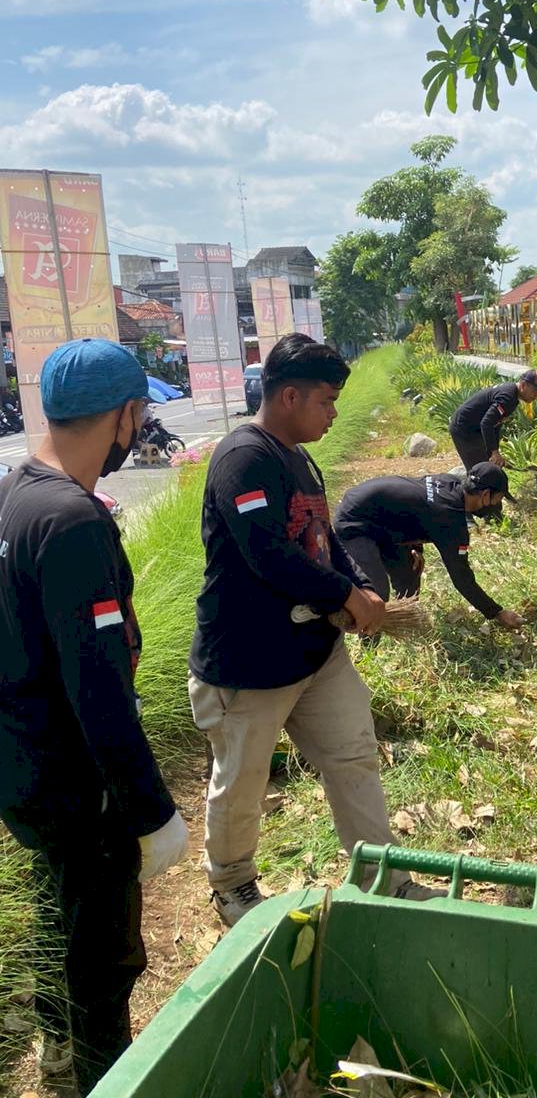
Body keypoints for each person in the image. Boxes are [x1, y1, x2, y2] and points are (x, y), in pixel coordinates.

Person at [189, 333, 440, 926]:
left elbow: (322, 543)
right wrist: (347, 595)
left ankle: (384, 879)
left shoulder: (299, 460)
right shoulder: (243, 458)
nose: (332, 414)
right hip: (250, 662)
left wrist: (362, 588)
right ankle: (232, 887)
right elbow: (269, 555)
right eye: (326, 402)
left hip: (315, 655)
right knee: (243, 781)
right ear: (290, 396)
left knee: (353, 757)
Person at [0, 338, 188, 1096]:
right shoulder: (74, 520)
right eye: (139, 416)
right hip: (77, 783)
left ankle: (55, 1046)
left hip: (19, 766)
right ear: (124, 415)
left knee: (58, 910)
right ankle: (104, 1079)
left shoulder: (16, 491)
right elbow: (99, 692)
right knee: (108, 955)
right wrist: (150, 811)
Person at [333, 462, 525, 629]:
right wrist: (496, 612)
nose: (496, 506)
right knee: (376, 591)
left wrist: (415, 546)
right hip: (355, 522)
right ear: (485, 495)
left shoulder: (451, 482)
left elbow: (418, 508)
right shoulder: (450, 521)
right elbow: (462, 579)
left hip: (380, 520)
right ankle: (369, 642)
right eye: (497, 500)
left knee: (409, 573)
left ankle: (401, 624)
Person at [449, 369, 537, 469]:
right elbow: (487, 423)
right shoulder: (507, 397)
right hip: (463, 429)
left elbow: (495, 424)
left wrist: (494, 451)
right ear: (523, 385)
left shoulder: (512, 395)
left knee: (489, 469)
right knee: (479, 472)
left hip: (475, 429)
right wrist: (494, 452)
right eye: (535, 391)